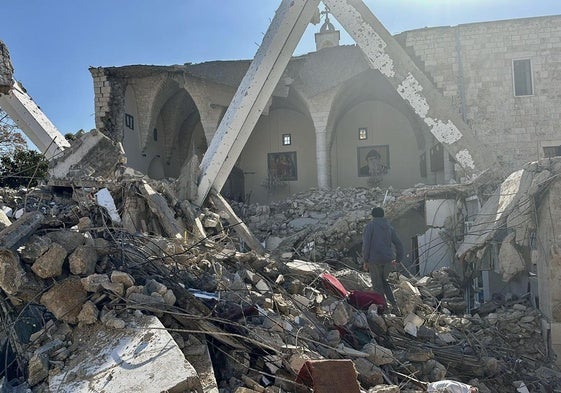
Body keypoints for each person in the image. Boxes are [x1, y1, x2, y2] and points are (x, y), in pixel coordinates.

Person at [362, 206, 404, 309]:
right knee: (385, 282)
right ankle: (394, 306)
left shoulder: (370, 226)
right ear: (383, 215)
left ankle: (383, 309)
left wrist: (365, 260)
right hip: (388, 260)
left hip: (374, 260)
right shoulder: (389, 227)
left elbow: (366, 245)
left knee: (377, 285)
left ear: (372, 215)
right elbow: (399, 244)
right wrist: (398, 259)